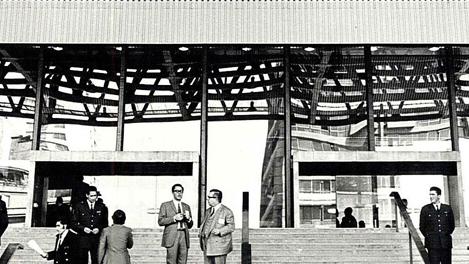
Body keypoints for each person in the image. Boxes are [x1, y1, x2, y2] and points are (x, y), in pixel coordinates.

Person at [71, 186, 109, 264]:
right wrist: (83, 228)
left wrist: (99, 228)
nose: (93, 198)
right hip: (83, 238)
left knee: (96, 260)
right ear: (87, 195)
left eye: (95, 196)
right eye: (91, 196)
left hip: (96, 239)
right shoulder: (79, 206)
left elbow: (105, 223)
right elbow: (73, 223)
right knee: (82, 260)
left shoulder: (102, 206)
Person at [158, 184, 193, 264]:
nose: (179, 193)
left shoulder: (186, 206)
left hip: (184, 235)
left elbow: (190, 225)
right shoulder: (165, 205)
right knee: (171, 261)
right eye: (176, 191)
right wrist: (174, 218)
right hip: (172, 236)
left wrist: (189, 219)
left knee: (183, 261)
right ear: (172, 192)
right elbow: (160, 221)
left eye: (180, 191)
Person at [419, 186, 455, 264]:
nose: (431, 197)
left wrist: (444, 235)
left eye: (433, 194)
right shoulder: (425, 209)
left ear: (439, 196)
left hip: (446, 244)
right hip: (432, 245)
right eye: (430, 195)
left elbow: (452, 225)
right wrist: (430, 236)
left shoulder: (447, 208)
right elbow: (422, 227)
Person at [199, 189, 235, 264]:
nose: (207, 199)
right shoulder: (208, 211)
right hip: (207, 246)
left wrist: (220, 231)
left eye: (209, 197)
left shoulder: (226, 211)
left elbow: (231, 226)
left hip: (219, 248)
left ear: (216, 198)